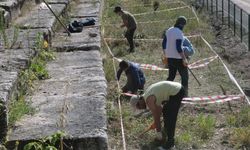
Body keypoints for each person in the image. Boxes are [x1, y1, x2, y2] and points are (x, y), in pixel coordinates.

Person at [130, 81, 185, 149]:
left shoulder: (149, 100)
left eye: (139, 107)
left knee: (170, 118)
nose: (141, 108)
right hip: (176, 90)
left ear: (139, 101)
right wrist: (156, 123)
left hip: (177, 91)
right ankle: (165, 135)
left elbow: (157, 117)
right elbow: (159, 110)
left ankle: (170, 143)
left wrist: (158, 131)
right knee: (166, 111)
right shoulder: (147, 95)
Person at [162, 16, 189, 96]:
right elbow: (178, 48)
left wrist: (166, 54)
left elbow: (163, 44)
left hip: (170, 58)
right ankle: (184, 94)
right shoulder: (179, 33)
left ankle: (164, 91)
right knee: (184, 77)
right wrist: (184, 59)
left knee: (171, 76)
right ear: (182, 25)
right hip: (178, 58)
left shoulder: (169, 30)